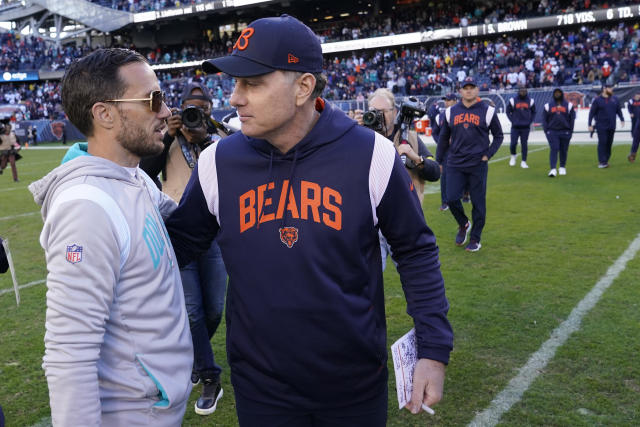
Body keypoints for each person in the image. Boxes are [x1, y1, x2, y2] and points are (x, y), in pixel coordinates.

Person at [165, 15, 453, 426]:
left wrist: (432, 349)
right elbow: (176, 246)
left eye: (252, 83)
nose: (235, 98)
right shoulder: (217, 162)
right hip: (261, 390)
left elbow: (415, 250)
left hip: (353, 387)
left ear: (303, 87)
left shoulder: (371, 154)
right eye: (235, 83)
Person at [27, 48, 193, 426]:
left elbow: (189, 228)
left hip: (154, 404)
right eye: (153, 99)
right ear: (104, 114)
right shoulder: (87, 208)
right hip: (132, 413)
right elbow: (70, 353)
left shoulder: (132, 177)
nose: (166, 112)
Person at [140, 82, 227, 416]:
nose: (194, 117)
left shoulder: (217, 142)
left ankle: (193, 355)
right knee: (191, 309)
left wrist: (204, 138)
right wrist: (167, 138)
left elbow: (230, 170)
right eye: (189, 110)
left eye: (201, 111)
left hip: (214, 231)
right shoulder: (166, 139)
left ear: (209, 112)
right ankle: (209, 375)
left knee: (214, 309)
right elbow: (145, 174)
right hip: (175, 229)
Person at [355, 88, 440, 271]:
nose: (377, 116)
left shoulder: (409, 138)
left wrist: (415, 158)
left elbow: (435, 172)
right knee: (369, 279)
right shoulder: (358, 137)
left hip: (404, 221)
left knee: (418, 274)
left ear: (394, 112)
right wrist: (349, 131)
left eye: (382, 111)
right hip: (369, 224)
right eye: (373, 111)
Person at [436, 76, 504, 252]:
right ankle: (463, 224)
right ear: (460, 91)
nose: (468, 90)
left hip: (477, 164)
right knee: (451, 198)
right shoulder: (451, 112)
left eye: (471, 87)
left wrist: (487, 155)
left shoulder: (488, 111)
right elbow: (443, 138)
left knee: (478, 203)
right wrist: (439, 160)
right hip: (455, 163)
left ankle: (475, 238)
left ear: (477, 90)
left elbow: (498, 136)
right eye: (465, 87)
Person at [432, 93, 458, 211]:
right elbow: (434, 133)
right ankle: (445, 202)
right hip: (445, 151)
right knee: (445, 177)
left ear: (455, 101)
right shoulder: (439, 117)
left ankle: (465, 194)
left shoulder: (461, 113)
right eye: (445, 100)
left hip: (460, 150)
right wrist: (442, 142)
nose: (446, 102)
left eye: (449, 100)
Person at [588, 84, 624, 168]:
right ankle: (602, 162)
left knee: (609, 143)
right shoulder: (597, 100)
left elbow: (618, 110)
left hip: (612, 125)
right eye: (610, 88)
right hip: (601, 126)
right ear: (604, 89)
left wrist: (622, 119)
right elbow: (591, 113)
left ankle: (606, 160)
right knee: (602, 142)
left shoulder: (615, 99)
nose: (611, 90)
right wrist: (589, 124)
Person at [542, 88, 576, 177]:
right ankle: (553, 169)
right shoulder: (547, 106)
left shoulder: (569, 105)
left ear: (561, 94)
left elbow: (572, 119)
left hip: (565, 131)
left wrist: (570, 132)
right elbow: (544, 120)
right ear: (553, 94)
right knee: (554, 148)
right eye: (555, 93)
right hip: (552, 131)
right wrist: (547, 131)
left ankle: (562, 167)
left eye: (559, 93)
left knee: (564, 150)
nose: (557, 94)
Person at [506, 87, 536, 168]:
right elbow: (508, 111)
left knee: (524, 144)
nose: (523, 92)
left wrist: (530, 121)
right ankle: (513, 156)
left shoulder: (531, 101)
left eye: (524, 91)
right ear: (518, 91)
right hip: (515, 126)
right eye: (521, 91)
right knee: (513, 143)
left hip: (525, 127)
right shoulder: (513, 100)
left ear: (526, 91)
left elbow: (534, 112)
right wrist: (512, 120)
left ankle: (523, 161)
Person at [626, 92, 640, 162]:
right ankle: (632, 154)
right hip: (635, 118)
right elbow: (629, 107)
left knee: (636, 139)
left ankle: (632, 154)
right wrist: (630, 113)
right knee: (636, 138)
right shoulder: (631, 101)